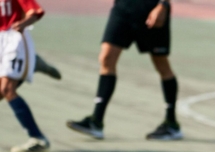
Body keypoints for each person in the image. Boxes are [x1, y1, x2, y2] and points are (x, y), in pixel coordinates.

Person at [66, 0, 182, 141]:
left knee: (161, 64)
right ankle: (96, 121)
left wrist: (163, 4)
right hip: (123, 8)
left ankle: (171, 123)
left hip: (151, 7)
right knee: (106, 58)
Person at [1, 0, 50, 152]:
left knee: (7, 89)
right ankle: (34, 63)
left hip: (14, 39)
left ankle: (37, 138)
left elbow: (35, 11)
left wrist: (23, 23)